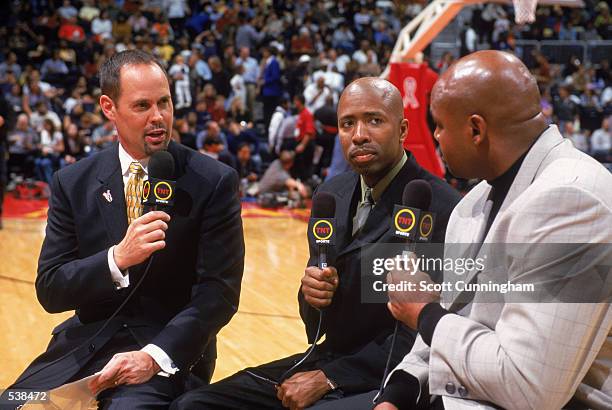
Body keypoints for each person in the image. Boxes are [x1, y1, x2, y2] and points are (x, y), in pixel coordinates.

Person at [170, 77, 461, 409]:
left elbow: (422, 334)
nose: (359, 134)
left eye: (374, 120)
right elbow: (317, 321)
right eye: (347, 124)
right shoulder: (331, 194)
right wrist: (311, 295)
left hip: (391, 375)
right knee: (194, 405)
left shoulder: (439, 207)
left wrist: (332, 377)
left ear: (403, 130)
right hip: (327, 356)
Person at [3, 50, 245, 409]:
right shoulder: (73, 182)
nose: (158, 117)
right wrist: (116, 259)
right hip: (84, 346)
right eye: (142, 106)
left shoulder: (213, 181)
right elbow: (51, 288)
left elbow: (218, 293)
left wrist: (152, 356)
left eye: (164, 102)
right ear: (108, 107)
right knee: (14, 403)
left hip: (164, 352)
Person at [376, 50, 612, 410]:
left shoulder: (573, 197)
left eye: (438, 124)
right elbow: (445, 329)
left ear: (475, 129)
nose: (435, 136)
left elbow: (529, 387)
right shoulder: (473, 202)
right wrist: (397, 394)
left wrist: (423, 311)